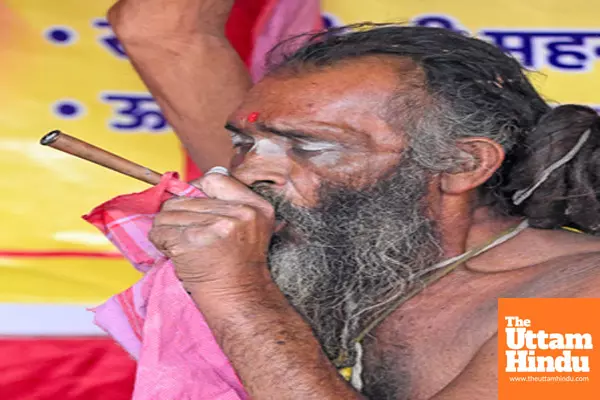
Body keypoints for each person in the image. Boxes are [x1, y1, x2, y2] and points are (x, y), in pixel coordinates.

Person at [109, 1, 600, 399]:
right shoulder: (363, 246)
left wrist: (235, 290)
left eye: (314, 146)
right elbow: (158, 28)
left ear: (461, 164)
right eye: (244, 143)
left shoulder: (581, 307)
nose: (252, 172)